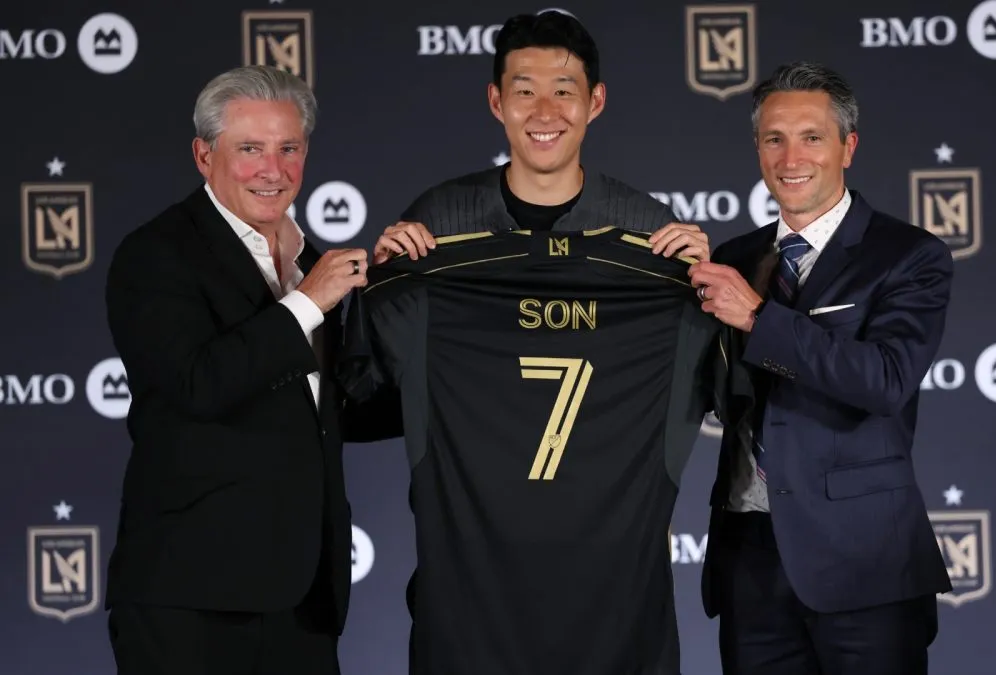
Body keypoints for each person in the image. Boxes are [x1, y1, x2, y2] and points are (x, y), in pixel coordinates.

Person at [102, 65, 393, 675]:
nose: (273, 169)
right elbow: (197, 384)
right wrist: (308, 302)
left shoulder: (310, 261)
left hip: (304, 598)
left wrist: (459, 380)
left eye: (289, 148)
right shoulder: (156, 254)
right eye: (250, 149)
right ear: (204, 156)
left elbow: (329, 410)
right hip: (191, 602)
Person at [687, 62, 954, 674]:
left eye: (811, 137)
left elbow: (883, 380)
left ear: (847, 146)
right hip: (749, 556)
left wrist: (758, 318)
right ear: (757, 147)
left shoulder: (910, 255)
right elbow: (711, 395)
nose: (790, 157)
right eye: (773, 138)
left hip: (863, 562)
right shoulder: (733, 258)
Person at [371, 10, 710, 263]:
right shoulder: (437, 221)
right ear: (496, 102)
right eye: (525, 92)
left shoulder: (650, 230)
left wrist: (698, 287)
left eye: (563, 92)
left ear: (595, 101)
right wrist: (384, 278)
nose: (545, 113)